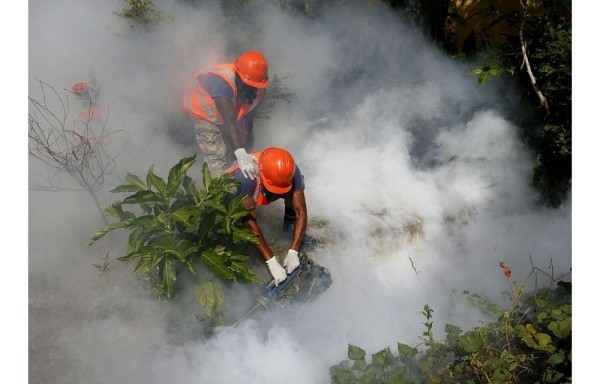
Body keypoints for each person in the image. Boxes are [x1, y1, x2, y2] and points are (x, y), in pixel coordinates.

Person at [226, 147, 307, 286]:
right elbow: (250, 223)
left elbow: (301, 211)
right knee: (240, 217)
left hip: (266, 184)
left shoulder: (289, 171)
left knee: (295, 190)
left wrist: (294, 249)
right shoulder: (245, 178)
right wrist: (272, 261)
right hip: (241, 190)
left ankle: (289, 231)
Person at [183, 51, 269, 179]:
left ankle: (238, 176)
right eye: (248, 85)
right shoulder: (221, 82)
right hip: (204, 114)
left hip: (229, 115)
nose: (252, 90)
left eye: (255, 86)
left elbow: (247, 128)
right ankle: (217, 189)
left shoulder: (259, 89)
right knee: (217, 154)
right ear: (238, 76)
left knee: (246, 145)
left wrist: (240, 159)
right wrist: (240, 153)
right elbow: (230, 122)